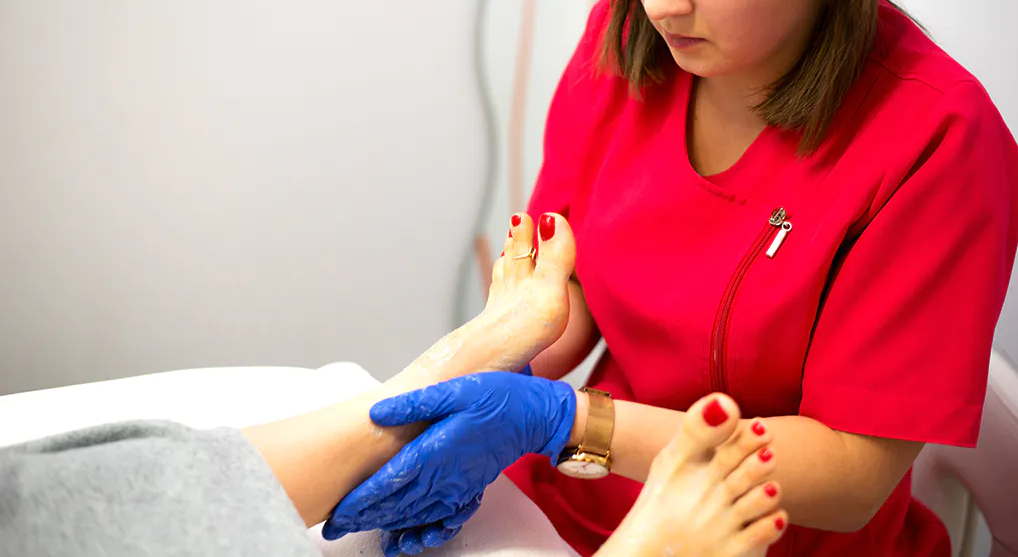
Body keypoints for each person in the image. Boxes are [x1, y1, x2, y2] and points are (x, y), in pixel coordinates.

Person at [332, 0, 1018, 555]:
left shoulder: (937, 140)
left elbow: (850, 474)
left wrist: (563, 420)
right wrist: (484, 366)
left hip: (768, 537)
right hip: (576, 499)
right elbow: (565, 291)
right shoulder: (622, 40)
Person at [0, 215, 788, 557]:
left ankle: (433, 379)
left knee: (40, 507)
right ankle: (433, 380)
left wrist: (554, 411)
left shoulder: (911, 134)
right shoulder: (620, 51)